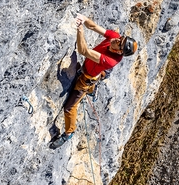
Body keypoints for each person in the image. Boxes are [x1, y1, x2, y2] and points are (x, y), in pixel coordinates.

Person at [50, 14, 138, 149]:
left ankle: (69, 133)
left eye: (119, 42)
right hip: (89, 69)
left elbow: (83, 50)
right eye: (121, 38)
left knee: (69, 108)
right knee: (96, 73)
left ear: (120, 52)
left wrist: (80, 30)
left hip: (86, 79)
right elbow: (94, 26)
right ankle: (93, 88)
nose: (116, 39)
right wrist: (84, 19)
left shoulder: (111, 60)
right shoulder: (114, 37)